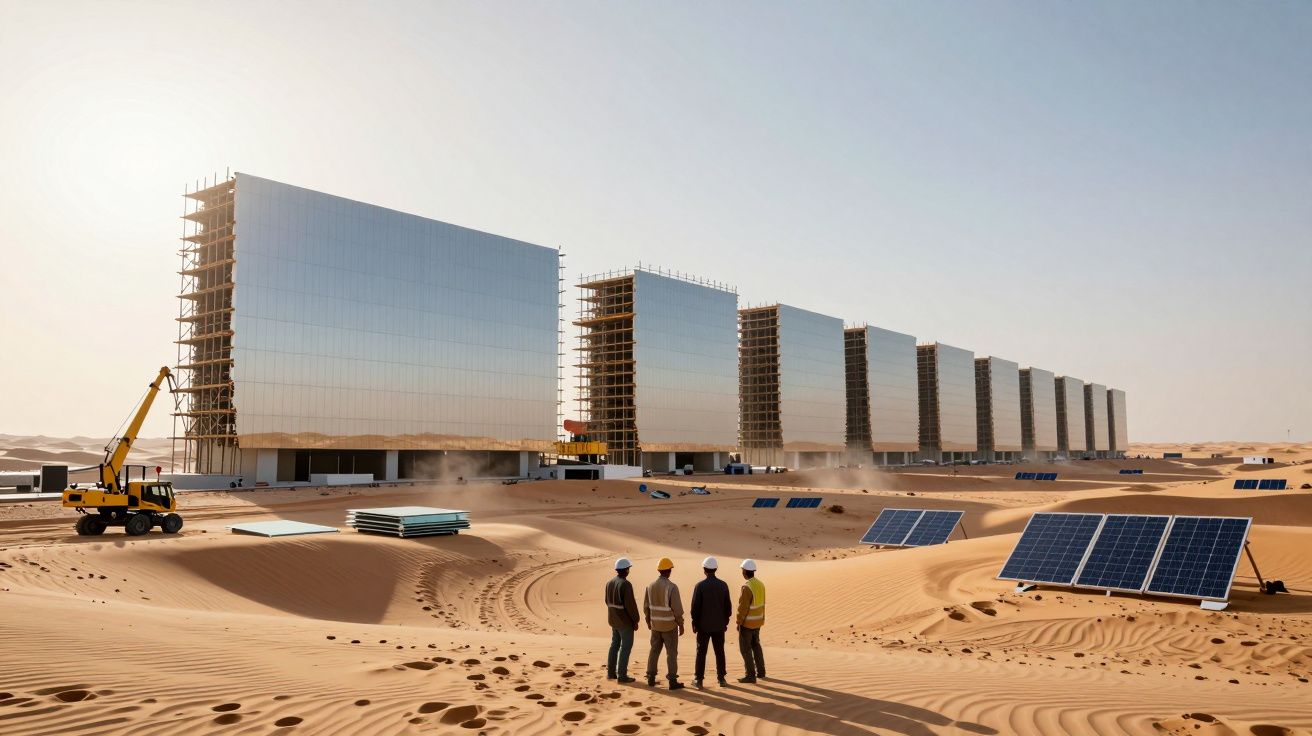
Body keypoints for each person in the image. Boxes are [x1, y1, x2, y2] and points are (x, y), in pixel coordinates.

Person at [643, 557, 685, 690]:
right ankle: (672, 681)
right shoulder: (672, 587)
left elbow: (646, 607)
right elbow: (677, 609)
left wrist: (649, 621)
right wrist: (681, 624)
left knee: (654, 651)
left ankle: (651, 677)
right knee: (671, 653)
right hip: (669, 627)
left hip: (655, 626)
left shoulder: (649, 586)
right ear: (669, 571)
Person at [690, 555, 732, 689]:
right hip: (719, 626)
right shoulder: (723, 585)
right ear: (716, 569)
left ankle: (699, 680)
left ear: (704, 569)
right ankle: (722, 679)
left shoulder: (700, 586)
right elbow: (728, 608)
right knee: (719, 652)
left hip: (703, 627)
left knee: (701, 652)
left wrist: (695, 623)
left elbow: (695, 608)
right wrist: (725, 622)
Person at [605, 557, 640, 683]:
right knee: (625, 647)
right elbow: (630, 605)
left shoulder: (609, 583)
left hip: (613, 620)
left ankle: (610, 673)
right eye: (628, 569)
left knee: (614, 645)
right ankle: (622, 675)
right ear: (625, 570)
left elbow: (606, 601)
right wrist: (636, 620)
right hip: (624, 622)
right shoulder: (625, 584)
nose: (628, 570)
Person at [735, 558, 766, 683]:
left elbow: (743, 607)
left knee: (745, 649)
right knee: (756, 645)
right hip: (758, 622)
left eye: (742, 570)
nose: (742, 572)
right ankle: (761, 672)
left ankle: (750, 675)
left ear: (745, 572)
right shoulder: (760, 584)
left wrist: (739, 622)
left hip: (747, 623)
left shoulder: (747, 587)